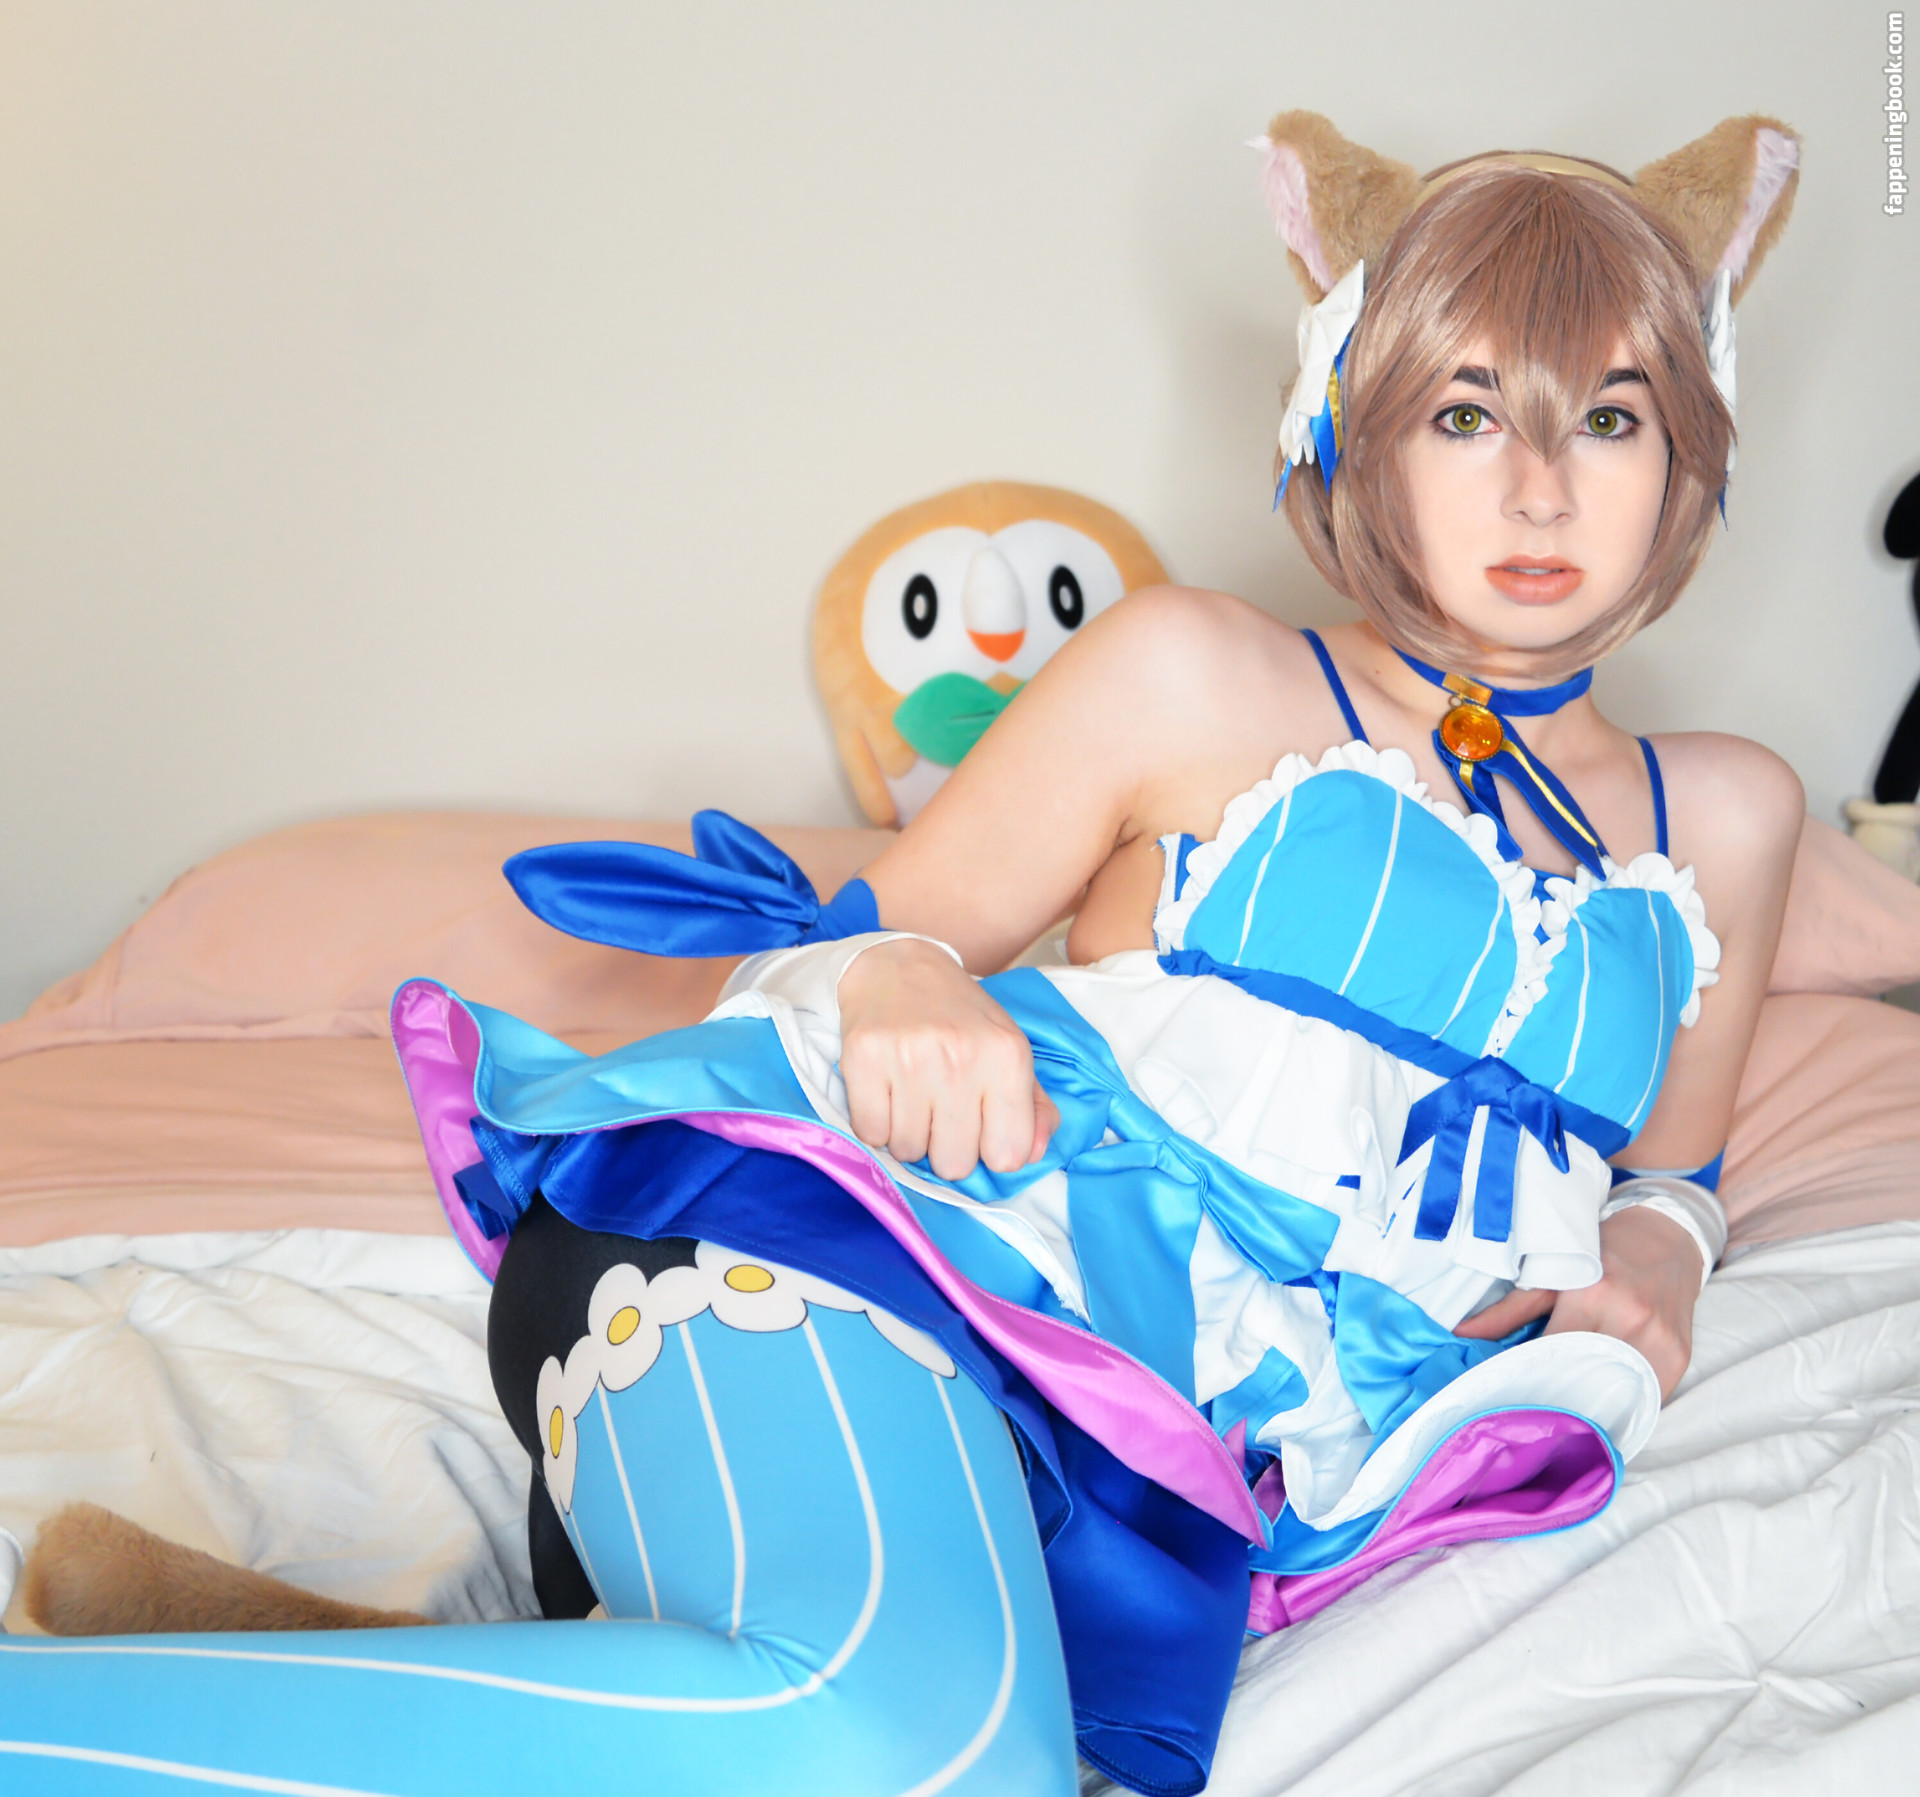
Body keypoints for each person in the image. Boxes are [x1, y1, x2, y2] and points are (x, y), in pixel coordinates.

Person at [0, 112, 1802, 1797]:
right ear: (1360, 422)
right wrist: (910, 981)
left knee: (947, 1753)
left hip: (1142, 1452)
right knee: (926, 1754)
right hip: (843, 1245)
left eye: (1611, 418)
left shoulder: (1725, 814)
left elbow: (1675, 1173)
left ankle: (269, 1653)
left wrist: (1660, 1240)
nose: (1542, 492)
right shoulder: (1196, 670)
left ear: (1689, 447)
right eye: (1470, 414)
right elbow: (847, 952)